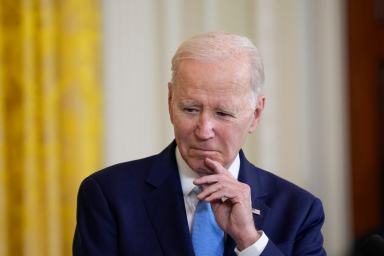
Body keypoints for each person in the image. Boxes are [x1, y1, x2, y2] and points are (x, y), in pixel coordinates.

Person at [73, 31, 326, 255]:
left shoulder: (299, 210)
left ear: (256, 115)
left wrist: (250, 241)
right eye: (190, 109)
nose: (204, 131)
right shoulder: (108, 195)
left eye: (223, 114)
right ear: (170, 102)